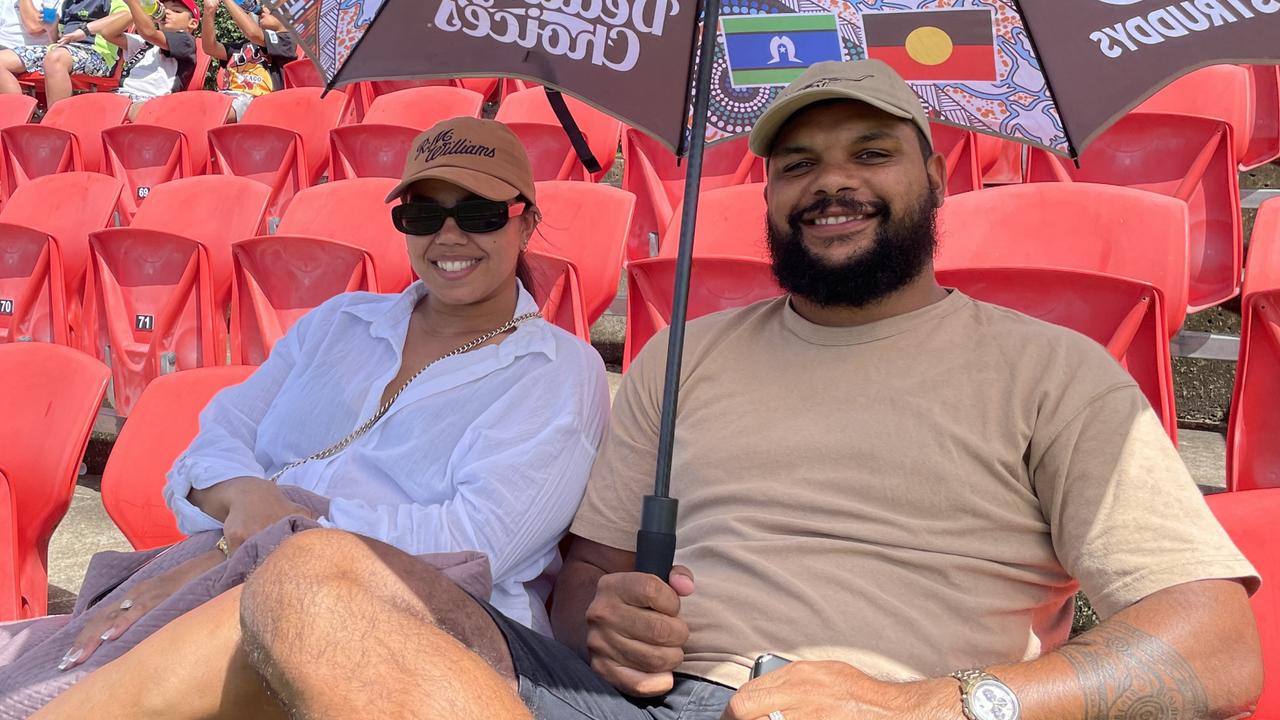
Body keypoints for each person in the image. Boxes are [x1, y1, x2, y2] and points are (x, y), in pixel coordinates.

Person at [33, 60, 1262, 720]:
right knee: (308, 576)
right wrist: (605, 619)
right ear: (763, 195)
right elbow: (573, 591)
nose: (830, 185)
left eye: (869, 154)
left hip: (886, 706)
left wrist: (951, 704)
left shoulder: (1052, 371)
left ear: (931, 182)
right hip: (646, 707)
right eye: (796, 165)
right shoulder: (684, 358)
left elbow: (1213, 648)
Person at [10, 116, 608, 717]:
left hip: (411, 628)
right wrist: (245, 499)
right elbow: (213, 445)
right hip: (229, 580)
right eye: (423, 216)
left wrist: (261, 536)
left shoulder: (558, 372)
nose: (448, 236)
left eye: (479, 214)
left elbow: (476, 544)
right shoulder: (340, 321)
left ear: (526, 220)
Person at [0, 0, 128, 107]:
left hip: (97, 55)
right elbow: (58, 40)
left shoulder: (107, 1)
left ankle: (57, 123)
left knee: (56, 58)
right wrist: (51, 29)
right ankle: (19, 118)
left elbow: (127, 15)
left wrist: (85, 30)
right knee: (2, 60)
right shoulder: (68, 3)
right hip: (63, 51)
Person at [101, 0, 197, 120]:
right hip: (122, 95)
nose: (167, 12)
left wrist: (134, 3)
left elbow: (149, 33)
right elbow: (108, 33)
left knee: (135, 111)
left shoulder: (186, 41)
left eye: (176, 11)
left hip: (153, 101)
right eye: (165, 8)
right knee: (91, 106)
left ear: (192, 24)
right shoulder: (143, 43)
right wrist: (140, 9)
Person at [200, 0, 293, 122]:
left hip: (258, 101)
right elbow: (210, 48)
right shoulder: (245, 46)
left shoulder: (288, 41)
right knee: (194, 107)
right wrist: (209, 11)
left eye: (271, 9)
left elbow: (253, 33)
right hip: (226, 95)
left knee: (210, 114)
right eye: (264, 7)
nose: (263, 10)